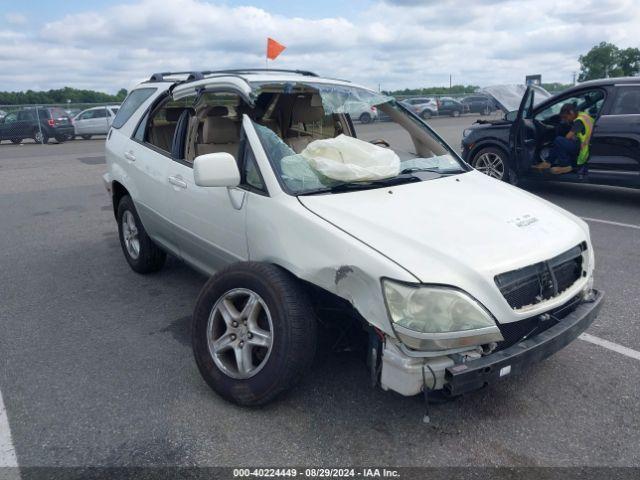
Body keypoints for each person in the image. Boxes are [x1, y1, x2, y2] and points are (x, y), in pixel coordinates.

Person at [533, 103, 594, 174]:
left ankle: (565, 165)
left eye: (566, 117)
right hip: (586, 144)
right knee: (559, 143)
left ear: (571, 113)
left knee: (559, 140)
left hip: (583, 148)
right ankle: (548, 162)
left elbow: (568, 137)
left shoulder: (579, 121)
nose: (566, 120)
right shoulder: (583, 116)